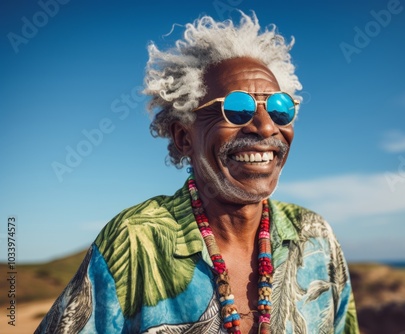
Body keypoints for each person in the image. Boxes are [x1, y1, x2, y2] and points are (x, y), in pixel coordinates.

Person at [36, 12, 359, 334]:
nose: (265, 126)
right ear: (184, 137)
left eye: (280, 108)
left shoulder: (315, 235)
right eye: (237, 108)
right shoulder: (136, 239)